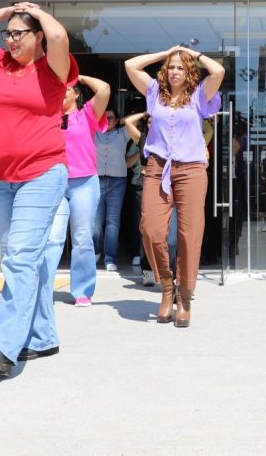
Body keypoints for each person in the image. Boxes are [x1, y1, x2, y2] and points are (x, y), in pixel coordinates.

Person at [0, 2, 77, 376]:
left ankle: (3, 346)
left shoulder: (53, 68)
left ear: (37, 36)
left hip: (41, 172)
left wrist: (37, 11)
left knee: (20, 257)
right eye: (7, 33)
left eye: (19, 33)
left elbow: (58, 35)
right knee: (25, 258)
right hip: (1, 178)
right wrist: (8, 10)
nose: (11, 40)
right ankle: (42, 337)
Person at [125, 45, 224, 328]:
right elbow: (131, 66)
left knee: (189, 235)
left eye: (181, 67)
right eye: (171, 67)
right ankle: (167, 287)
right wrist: (166, 53)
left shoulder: (199, 95)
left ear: (189, 70)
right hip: (158, 167)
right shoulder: (154, 92)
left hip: (191, 169)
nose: (175, 71)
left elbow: (218, 71)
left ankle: (185, 297)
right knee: (151, 229)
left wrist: (192, 54)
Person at [48, 74, 110, 307]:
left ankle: (82, 291)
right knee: (52, 238)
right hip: (54, 182)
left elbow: (104, 88)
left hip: (84, 183)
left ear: (76, 94)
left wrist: (77, 76)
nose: (61, 92)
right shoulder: (47, 116)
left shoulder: (87, 114)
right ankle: (43, 289)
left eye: (66, 89)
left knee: (82, 238)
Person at [124, 112, 175, 287]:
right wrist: (147, 112)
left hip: (168, 185)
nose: (152, 123)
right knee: (147, 229)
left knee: (169, 234)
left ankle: (169, 272)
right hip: (146, 185)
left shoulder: (172, 137)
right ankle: (148, 270)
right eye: (149, 121)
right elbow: (128, 122)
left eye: (156, 119)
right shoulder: (143, 138)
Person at [92, 105, 136, 272]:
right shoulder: (94, 132)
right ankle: (96, 250)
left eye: (111, 118)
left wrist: (124, 120)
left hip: (117, 181)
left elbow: (134, 123)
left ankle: (110, 258)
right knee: (96, 222)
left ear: (117, 120)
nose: (107, 120)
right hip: (96, 180)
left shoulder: (123, 133)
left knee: (113, 222)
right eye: (105, 117)